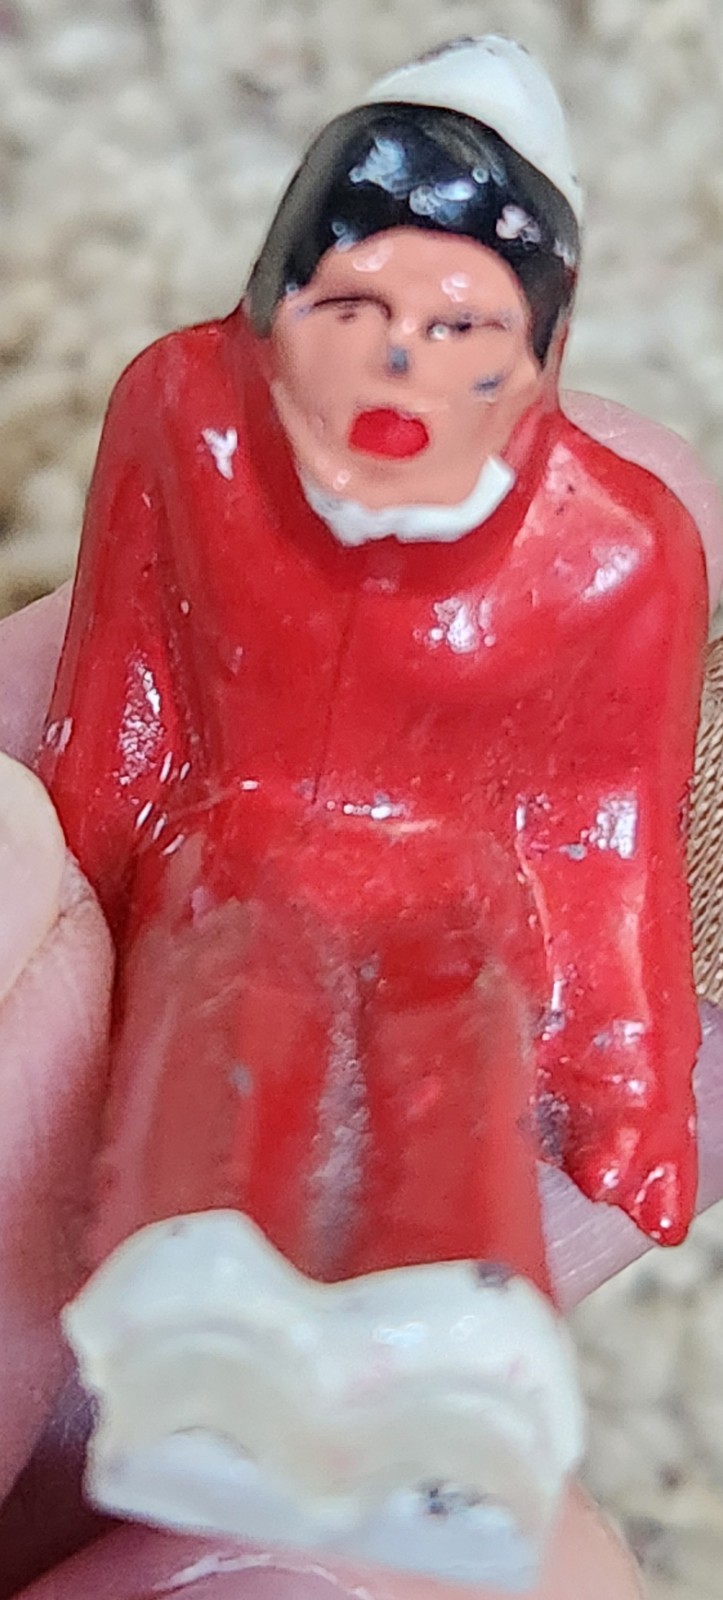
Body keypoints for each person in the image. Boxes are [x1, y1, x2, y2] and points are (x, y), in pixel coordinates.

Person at [1, 31, 722, 1600]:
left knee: (453, 1059)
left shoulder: (618, 549)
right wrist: (78, 901)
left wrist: (630, 1070)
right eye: (355, 313)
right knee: (225, 1009)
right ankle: (200, 1339)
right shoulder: (185, 416)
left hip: (453, 890)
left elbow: (608, 826)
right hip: (238, 851)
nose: (401, 377)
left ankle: (449, 1380)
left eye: (462, 328)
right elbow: (123, 684)